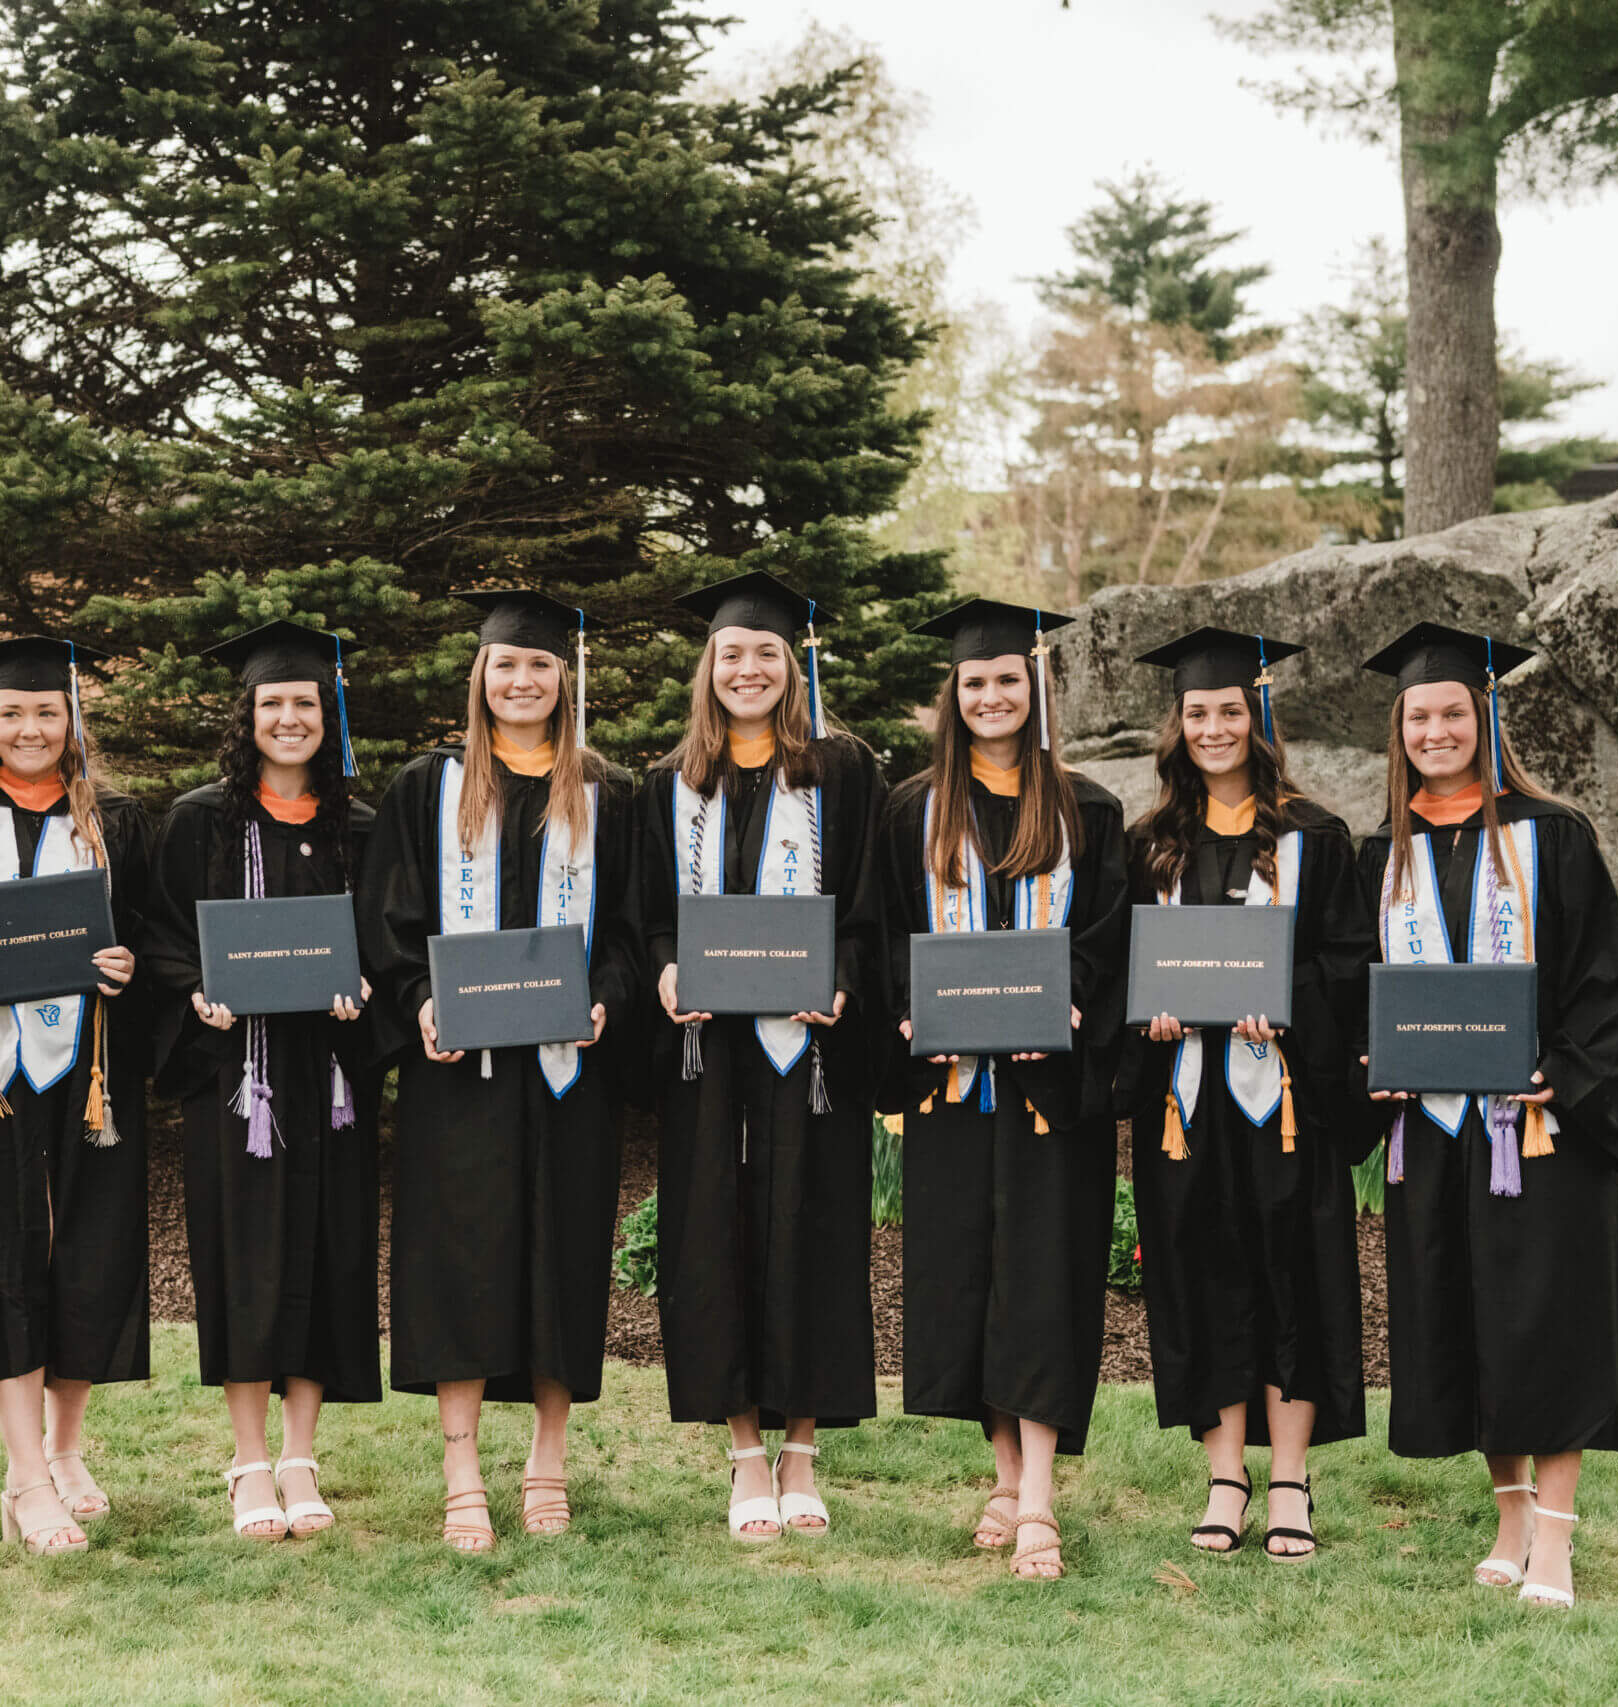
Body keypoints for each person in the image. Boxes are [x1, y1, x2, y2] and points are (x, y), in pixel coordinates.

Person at [1356, 622, 1618, 1610]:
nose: (1435, 731)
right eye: (1418, 717)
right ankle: (1509, 1519)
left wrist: (1560, 1077)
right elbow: (1352, 992)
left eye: (1450, 713)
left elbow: (1604, 982)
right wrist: (1370, 1067)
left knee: (1545, 1327)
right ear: (1397, 733)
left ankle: (1556, 1549)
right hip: (1435, 1131)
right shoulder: (1380, 855)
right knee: (1474, 1326)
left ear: (1483, 717)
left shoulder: (1551, 835)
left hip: (1536, 1132)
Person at [356, 589, 639, 1553]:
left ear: (567, 680)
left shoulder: (609, 794)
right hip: (458, 1075)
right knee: (460, 1264)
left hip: (569, 1074)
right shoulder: (425, 787)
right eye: (506, 665)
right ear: (480, 677)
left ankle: (548, 1462)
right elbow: (388, 925)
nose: (523, 680)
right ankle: (463, 1470)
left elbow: (634, 935)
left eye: (541, 666)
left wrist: (609, 996)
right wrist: (418, 1004)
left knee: (563, 1253)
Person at [876, 598, 1130, 1582]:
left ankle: (1035, 1500)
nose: (989, 696)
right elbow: (883, 930)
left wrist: (1070, 1010)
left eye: (1006, 682)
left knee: (1045, 1281)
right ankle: (1003, 1476)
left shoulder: (1086, 810)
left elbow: (1107, 942)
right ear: (955, 696)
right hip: (949, 1092)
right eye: (974, 682)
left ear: (1034, 692)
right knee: (972, 1280)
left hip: (1047, 1098)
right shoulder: (912, 811)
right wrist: (904, 1010)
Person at [634, 572, 882, 1541]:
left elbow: (868, 906)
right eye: (732, 654)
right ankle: (744, 1454)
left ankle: (803, 1452)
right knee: (716, 1241)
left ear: (793, 665)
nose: (749, 669)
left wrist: (844, 980)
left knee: (814, 1234)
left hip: (806, 1052)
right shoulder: (668, 785)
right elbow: (645, 918)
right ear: (709, 669)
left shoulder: (841, 772)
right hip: (709, 1056)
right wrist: (659, 970)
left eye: (766, 654)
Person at [1120, 627, 1373, 1561]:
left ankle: (1292, 1481)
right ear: (1178, 725)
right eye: (1199, 713)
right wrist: (1148, 1019)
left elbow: (1349, 970)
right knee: (1205, 1277)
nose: (1215, 726)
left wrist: (1289, 1011)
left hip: (1286, 1104)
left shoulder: (1316, 836)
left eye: (1230, 710)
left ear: (1256, 718)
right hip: (1187, 1106)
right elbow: (1124, 971)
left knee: (1293, 1277)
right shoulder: (1150, 845)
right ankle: (1227, 1477)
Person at [0, 636, 155, 1555]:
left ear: (72, 721)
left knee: (89, 1252)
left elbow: (156, 938)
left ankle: (68, 1447)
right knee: (8, 1249)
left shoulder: (118, 821)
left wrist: (131, 965)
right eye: (13, 712)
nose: (31, 728)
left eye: (48, 712)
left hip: (93, 1072)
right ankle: (24, 1474)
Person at [143, 620, 381, 1541]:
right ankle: (248, 1460)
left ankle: (301, 1456)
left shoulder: (360, 827)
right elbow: (164, 936)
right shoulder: (201, 819)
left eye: (305, 703)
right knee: (242, 1261)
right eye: (272, 703)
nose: (290, 718)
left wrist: (368, 991)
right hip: (237, 1084)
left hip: (329, 1078)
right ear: (247, 713)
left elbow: (390, 947)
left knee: (324, 1252)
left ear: (329, 715)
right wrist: (195, 994)